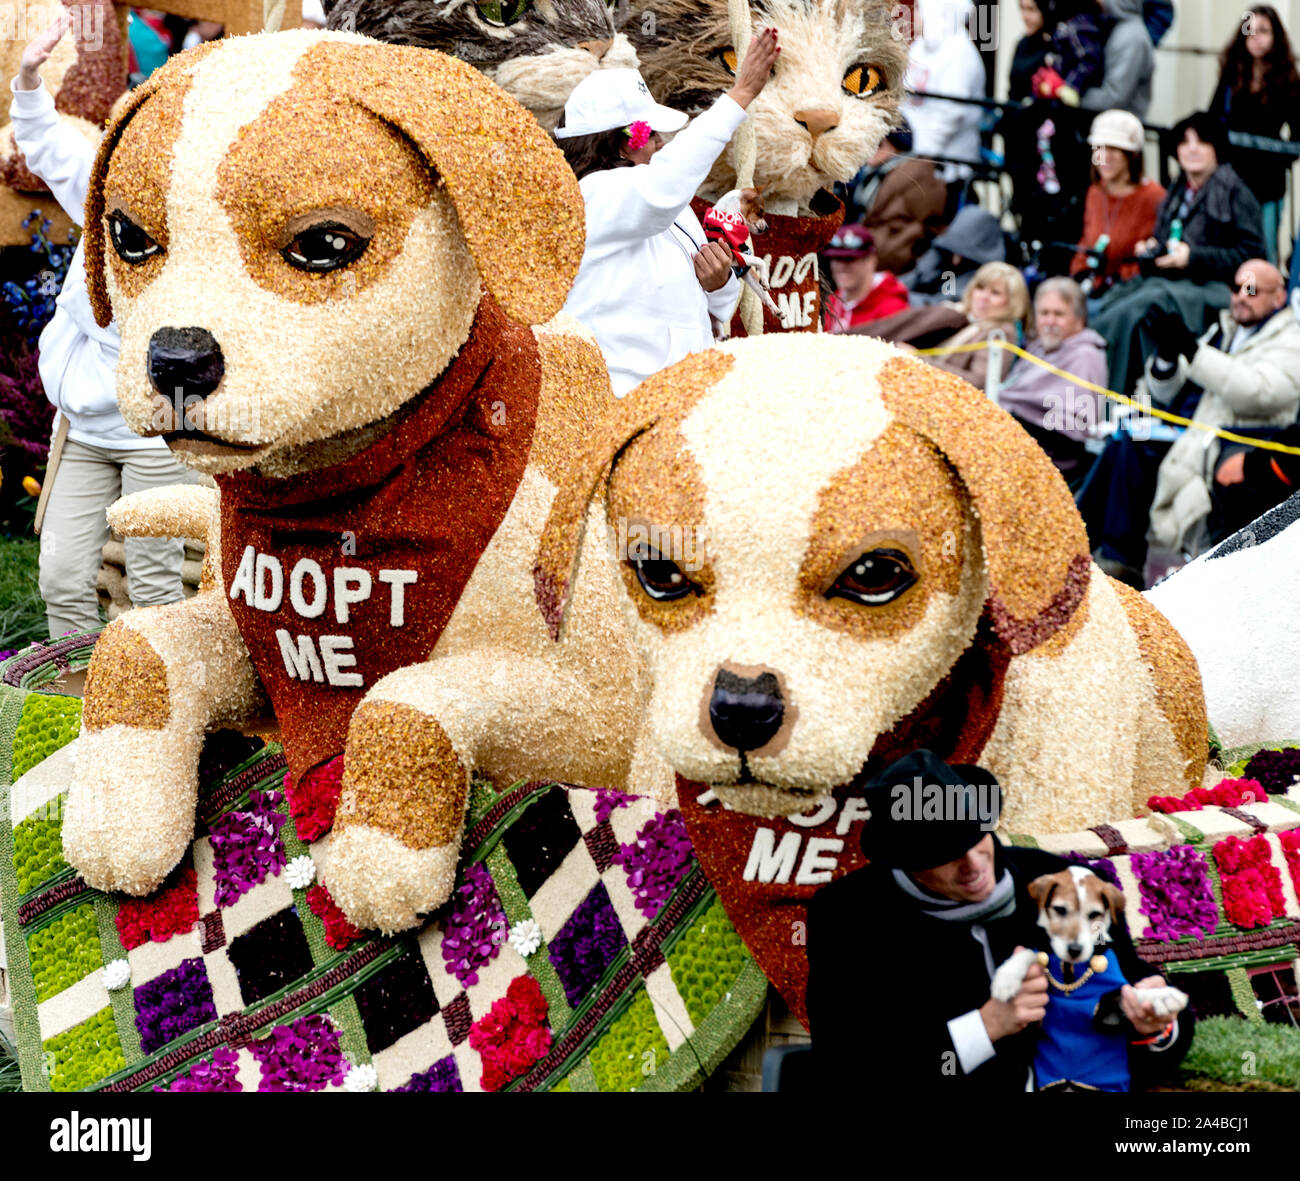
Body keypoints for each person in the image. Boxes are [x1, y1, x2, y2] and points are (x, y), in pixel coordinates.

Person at [807, 750, 1193, 1092]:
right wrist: (984, 1028)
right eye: (945, 854)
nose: (973, 864)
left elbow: (1133, 988)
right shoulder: (846, 918)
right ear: (906, 862)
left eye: (975, 837)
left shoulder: (1065, 883)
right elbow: (847, 1068)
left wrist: (1156, 1028)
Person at [11, 16, 197, 639]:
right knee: (61, 578)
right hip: (85, 431)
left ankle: (160, 721)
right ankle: (73, 715)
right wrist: (32, 78)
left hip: (153, 435)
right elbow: (44, 144)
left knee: (153, 592)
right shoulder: (106, 188)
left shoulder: (199, 224)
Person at [554, 31, 778, 396]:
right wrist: (740, 95)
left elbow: (716, 308)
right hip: (616, 408)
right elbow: (666, 182)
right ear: (621, 145)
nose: (660, 142)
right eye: (651, 133)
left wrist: (719, 281)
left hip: (678, 405)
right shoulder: (588, 198)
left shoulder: (672, 209)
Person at [1078, 259, 1300, 586]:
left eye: (1251, 289)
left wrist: (1193, 352)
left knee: (1129, 449)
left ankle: (1111, 556)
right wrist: (1167, 360)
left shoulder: (1290, 339)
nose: (1240, 296)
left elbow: (1259, 392)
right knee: (1123, 442)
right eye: (1235, 287)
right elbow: (1163, 393)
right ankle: (1085, 543)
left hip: (1233, 441)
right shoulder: (1223, 330)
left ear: (1278, 297)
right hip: (1192, 432)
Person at [1090, 111, 1266, 400]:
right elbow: (1167, 242)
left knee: (1135, 309)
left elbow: (1252, 256)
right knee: (1111, 301)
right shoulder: (1178, 188)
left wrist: (1193, 257)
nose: (1192, 149)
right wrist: (1152, 251)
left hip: (1214, 288)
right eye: (1185, 143)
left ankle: (1112, 397)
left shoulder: (1235, 191)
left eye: (1201, 143)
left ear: (1216, 149)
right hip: (1172, 282)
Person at [1210, 5, 1300, 264]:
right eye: (1250, 31)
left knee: (1263, 251)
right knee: (1229, 248)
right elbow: (1214, 120)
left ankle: (1261, 301)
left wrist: (1275, 155)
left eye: (1264, 31)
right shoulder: (1231, 75)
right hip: (1232, 178)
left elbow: (1297, 136)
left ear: (1276, 36)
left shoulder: (1288, 81)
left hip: (1268, 183)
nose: (1256, 37)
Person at [998, 277, 1108, 480]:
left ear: (1079, 319)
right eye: (1044, 313)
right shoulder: (1040, 347)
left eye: (1058, 314)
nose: (1050, 322)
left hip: (1049, 457)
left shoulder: (1085, 355)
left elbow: (1074, 429)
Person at [866, 262, 1030, 391]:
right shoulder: (959, 314)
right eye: (980, 288)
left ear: (1012, 302)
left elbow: (979, 383)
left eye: (995, 293)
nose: (983, 297)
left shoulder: (1000, 333)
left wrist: (918, 360)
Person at [1070, 109, 1165, 299]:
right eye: (1099, 148)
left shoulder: (1154, 196)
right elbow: (1086, 243)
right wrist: (1079, 276)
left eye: (1114, 149)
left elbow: (1152, 255)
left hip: (1128, 293)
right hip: (1090, 288)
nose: (1105, 157)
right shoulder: (1095, 192)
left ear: (1131, 156)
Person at [902, 0, 987, 190]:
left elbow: (950, 116)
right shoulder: (920, 47)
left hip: (944, 169)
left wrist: (918, 155)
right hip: (908, 154)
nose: (912, 15)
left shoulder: (961, 54)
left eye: (917, 8)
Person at [847, 119, 948, 277]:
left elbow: (925, 226)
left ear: (897, 145)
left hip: (893, 253)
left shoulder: (918, 175)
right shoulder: (875, 173)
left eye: (879, 143)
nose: (870, 150)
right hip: (874, 244)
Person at [899, 204, 1005, 307]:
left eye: (963, 255)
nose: (955, 261)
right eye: (952, 251)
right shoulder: (942, 258)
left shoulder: (977, 280)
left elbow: (941, 304)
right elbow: (904, 282)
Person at [823, 225, 910, 333]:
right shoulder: (830, 303)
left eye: (849, 259)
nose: (841, 266)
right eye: (836, 258)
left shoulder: (893, 309)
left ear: (871, 260)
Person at [1078, 0, 1155, 119]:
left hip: (1118, 130)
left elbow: (1113, 98)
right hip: (1109, 125)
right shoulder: (1116, 28)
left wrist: (1074, 96)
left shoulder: (1131, 38)